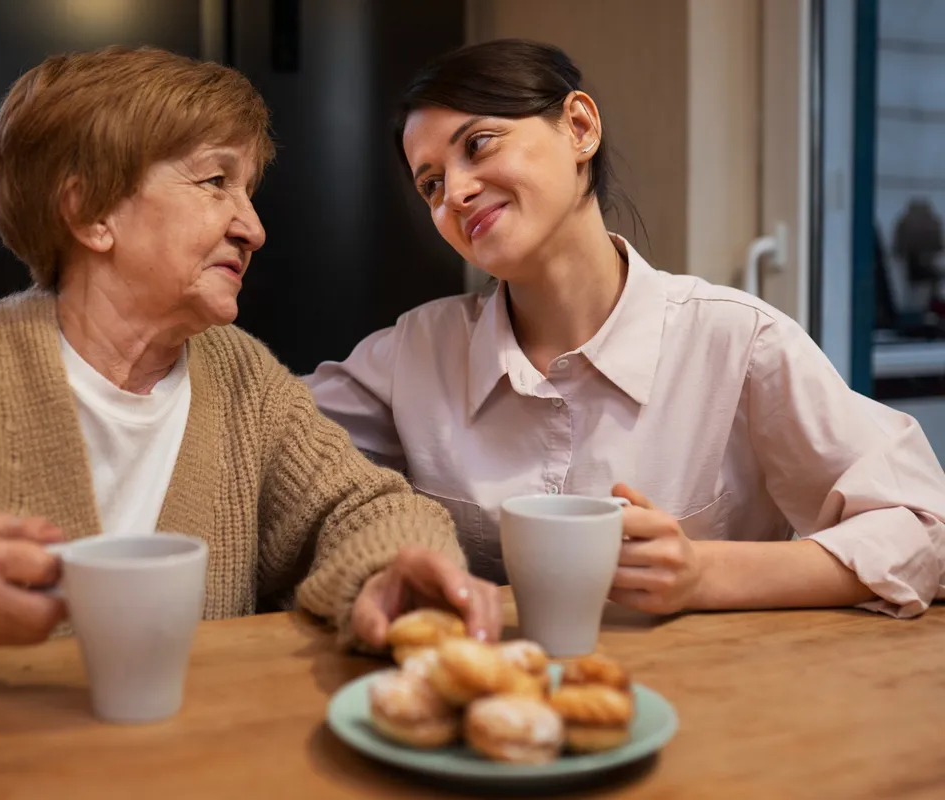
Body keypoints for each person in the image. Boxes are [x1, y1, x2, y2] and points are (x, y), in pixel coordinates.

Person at [0, 46, 502, 680]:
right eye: (215, 183)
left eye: (249, 191)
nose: (254, 228)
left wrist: (393, 568)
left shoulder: (239, 378)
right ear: (90, 215)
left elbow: (364, 508)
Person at [307, 39, 945, 618]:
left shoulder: (738, 342)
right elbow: (262, 431)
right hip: (493, 711)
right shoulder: (415, 352)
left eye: (478, 145)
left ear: (579, 127)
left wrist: (706, 575)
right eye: (432, 185)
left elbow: (924, 527)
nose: (458, 194)